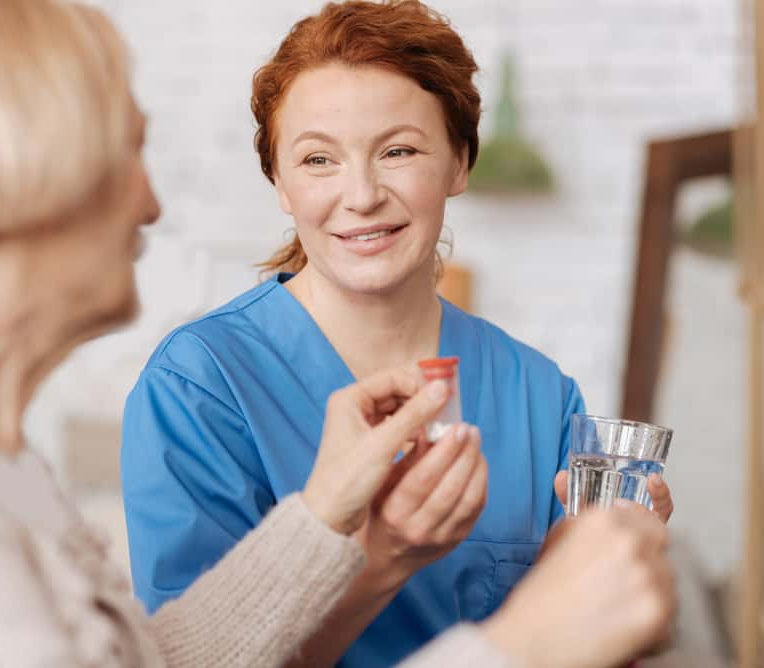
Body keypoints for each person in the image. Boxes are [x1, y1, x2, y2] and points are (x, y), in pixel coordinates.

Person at [0, 1, 674, 667]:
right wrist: (519, 647)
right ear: (19, 172)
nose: (156, 202)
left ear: (457, 163)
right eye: (127, 151)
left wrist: (350, 534)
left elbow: (159, 662)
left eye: (398, 150)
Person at [121, 2, 675, 667]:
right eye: (318, 159)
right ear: (281, 185)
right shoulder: (199, 388)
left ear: (459, 163)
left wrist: (597, 576)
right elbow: (192, 662)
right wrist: (381, 555)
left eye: (399, 150)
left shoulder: (539, 394)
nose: (360, 194)